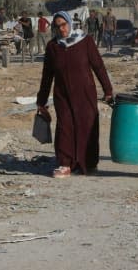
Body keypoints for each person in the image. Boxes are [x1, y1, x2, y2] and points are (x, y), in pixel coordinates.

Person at [36, 11, 113, 178]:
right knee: (65, 127)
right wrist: (41, 101)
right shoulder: (53, 47)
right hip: (62, 95)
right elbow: (47, 76)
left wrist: (108, 90)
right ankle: (65, 163)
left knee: (87, 126)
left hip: (85, 93)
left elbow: (98, 66)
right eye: (57, 26)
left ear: (70, 23)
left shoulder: (85, 41)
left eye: (64, 25)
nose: (62, 29)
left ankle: (88, 163)